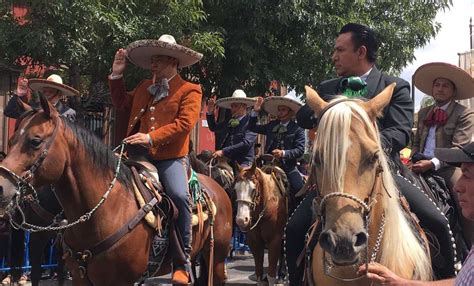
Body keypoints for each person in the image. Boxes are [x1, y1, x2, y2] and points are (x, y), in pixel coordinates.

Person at [286, 22, 458, 284]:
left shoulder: (396, 86)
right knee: (294, 228)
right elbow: (302, 116)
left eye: (339, 50)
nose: (334, 56)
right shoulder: (328, 87)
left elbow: (401, 132)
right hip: (335, 177)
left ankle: (448, 279)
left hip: (380, 170)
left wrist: (365, 146)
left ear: (361, 52)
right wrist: (332, 110)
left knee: (436, 221)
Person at [109, 34, 203, 284]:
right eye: (152, 60)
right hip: (136, 155)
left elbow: (184, 125)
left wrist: (150, 138)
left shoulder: (190, 90)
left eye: (159, 60)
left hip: (170, 157)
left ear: (173, 61)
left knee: (180, 196)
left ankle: (182, 263)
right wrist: (117, 74)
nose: (153, 65)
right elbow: (120, 103)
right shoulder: (142, 87)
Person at [360, 140, 474, 286]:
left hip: (442, 166)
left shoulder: (463, 115)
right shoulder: (426, 115)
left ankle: (453, 261)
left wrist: (432, 163)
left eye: (467, 175)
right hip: (411, 166)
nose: (458, 187)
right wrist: (400, 283)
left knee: (438, 218)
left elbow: (401, 131)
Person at [249, 93, 305, 215]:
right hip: (268, 166)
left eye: (283, 110)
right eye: (279, 110)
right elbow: (252, 127)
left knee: (299, 188)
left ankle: (295, 215)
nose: (279, 112)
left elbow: (300, 150)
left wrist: (284, 153)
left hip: (288, 167)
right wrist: (255, 111)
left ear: (290, 112)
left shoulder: (298, 129)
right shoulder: (271, 125)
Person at [206, 90, 257, 171]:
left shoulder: (251, 123)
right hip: (226, 161)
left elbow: (246, 143)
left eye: (235, 106)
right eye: (232, 106)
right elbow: (213, 127)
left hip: (243, 162)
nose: (232, 109)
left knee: (242, 180)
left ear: (244, 106)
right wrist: (210, 113)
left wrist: (223, 151)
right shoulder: (229, 122)